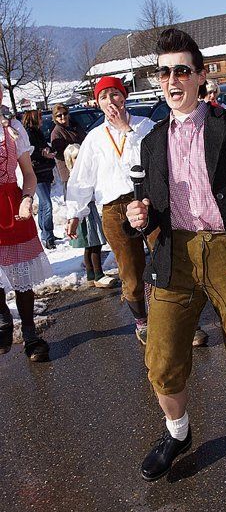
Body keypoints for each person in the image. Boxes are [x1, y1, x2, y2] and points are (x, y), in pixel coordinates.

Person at [126, 28, 226, 481]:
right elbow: (153, 209)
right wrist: (141, 217)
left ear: (200, 77)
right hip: (174, 252)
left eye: (182, 71)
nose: (172, 80)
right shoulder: (152, 141)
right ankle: (177, 433)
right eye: (164, 73)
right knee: (161, 357)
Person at [65, 77, 155, 344]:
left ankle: (174, 318)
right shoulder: (94, 138)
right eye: (103, 97)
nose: (110, 101)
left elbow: (154, 159)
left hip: (149, 201)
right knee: (130, 269)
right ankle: (142, 322)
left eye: (114, 94)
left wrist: (126, 129)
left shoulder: (145, 126)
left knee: (165, 260)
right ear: (98, 103)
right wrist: (75, 212)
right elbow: (82, 178)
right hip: (114, 209)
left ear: (124, 97)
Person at [0, 83, 52, 361]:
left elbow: (29, 175)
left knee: (22, 279)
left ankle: (30, 335)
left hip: (12, 208)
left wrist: (27, 198)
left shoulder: (14, 128)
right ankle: (3, 319)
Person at [64, 144, 117, 289]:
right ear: (70, 160)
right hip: (84, 215)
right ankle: (97, 274)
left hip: (90, 212)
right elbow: (78, 199)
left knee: (93, 245)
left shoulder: (85, 174)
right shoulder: (75, 179)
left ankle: (91, 274)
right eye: (75, 157)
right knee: (93, 245)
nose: (79, 160)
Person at [22, 110, 58, 249]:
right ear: (34, 119)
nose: (42, 120)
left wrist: (49, 150)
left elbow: (43, 146)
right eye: (40, 118)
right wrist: (44, 154)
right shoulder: (28, 133)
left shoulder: (38, 132)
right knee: (47, 204)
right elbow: (29, 152)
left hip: (45, 171)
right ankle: (48, 237)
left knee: (44, 204)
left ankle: (46, 234)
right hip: (36, 173)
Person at [50, 104, 86, 198]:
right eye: (59, 115)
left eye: (65, 113)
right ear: (55, 118)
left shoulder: (75, 126)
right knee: (73, 200)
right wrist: (73, 151)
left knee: (88, 197)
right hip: (68, 171)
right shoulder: (56, 133)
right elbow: (58, 154)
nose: (63, 116)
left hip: (82, 167)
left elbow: (85, 140)